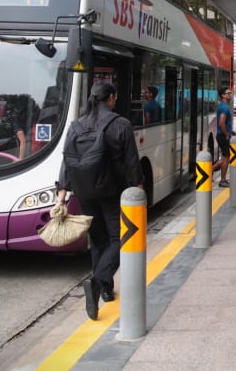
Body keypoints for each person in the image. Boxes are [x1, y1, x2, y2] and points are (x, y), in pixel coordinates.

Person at [56, 81, 143, 319]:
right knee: (120, 238)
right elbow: (132, 162)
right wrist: (138, 188)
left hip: (84, 192)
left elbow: (67, 160)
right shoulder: (121, 124)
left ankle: (105, 290)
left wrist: (61, 197)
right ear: (112, 97)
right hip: (112, 191)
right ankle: (98, 281)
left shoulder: (76, 126)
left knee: (98, 239)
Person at [213, 87, 235, 188]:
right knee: (226, 158)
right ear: (223, 95)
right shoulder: (224, 108)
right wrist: (226, 134)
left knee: (225, 157)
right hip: (222, 136)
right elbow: (221, 122)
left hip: (221, 135)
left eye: (230, 93)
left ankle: (209, 171)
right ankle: (222, 180)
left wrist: (231, 131)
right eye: (228, 93)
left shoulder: (222, 106)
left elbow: (224, 123)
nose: (230, 95)